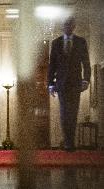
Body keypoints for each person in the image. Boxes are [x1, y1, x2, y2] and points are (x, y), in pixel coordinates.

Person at [48, 16, 91, 152]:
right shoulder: (56, 43)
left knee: (73, 113)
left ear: (74, 26)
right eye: (65, 25)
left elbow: (86, 63)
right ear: (63, 26)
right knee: (64, 113)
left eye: (70, 25)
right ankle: (67, 142)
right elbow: (52, 65)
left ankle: (70, 142)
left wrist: (86, 80)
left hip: (75, 84)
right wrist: (50, 84)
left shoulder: (80, 42)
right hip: (61, 84)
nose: (67, 27)